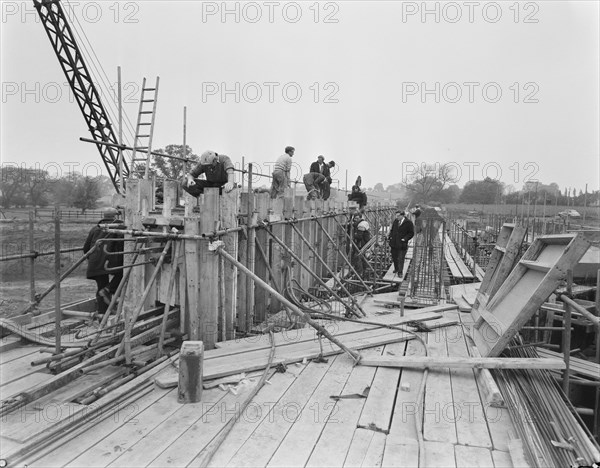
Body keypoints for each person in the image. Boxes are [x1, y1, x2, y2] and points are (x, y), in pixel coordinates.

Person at [83, 208, 124, 315]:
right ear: (115, 216)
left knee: (101, 286)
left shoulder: (95, 229)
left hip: (95, 261)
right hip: (110, 261)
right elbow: (122, 245)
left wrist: (93, 259)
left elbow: (86, 248)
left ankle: (102, 313)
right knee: (124, 274)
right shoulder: (119, 228)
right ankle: (109, 289)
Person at [388, 210, 414, 276]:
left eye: (398, 216)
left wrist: (405, 239)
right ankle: (396, 268)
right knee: (394, 257)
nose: (397, 217)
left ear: (403, 215)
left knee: (401, 258)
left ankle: (400, 272)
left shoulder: (408, 223)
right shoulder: (396, 221)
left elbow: (411, 233)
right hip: (394, 243)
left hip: (402, 244)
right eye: (396, 216)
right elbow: (392, 230)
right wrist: (390, 237)